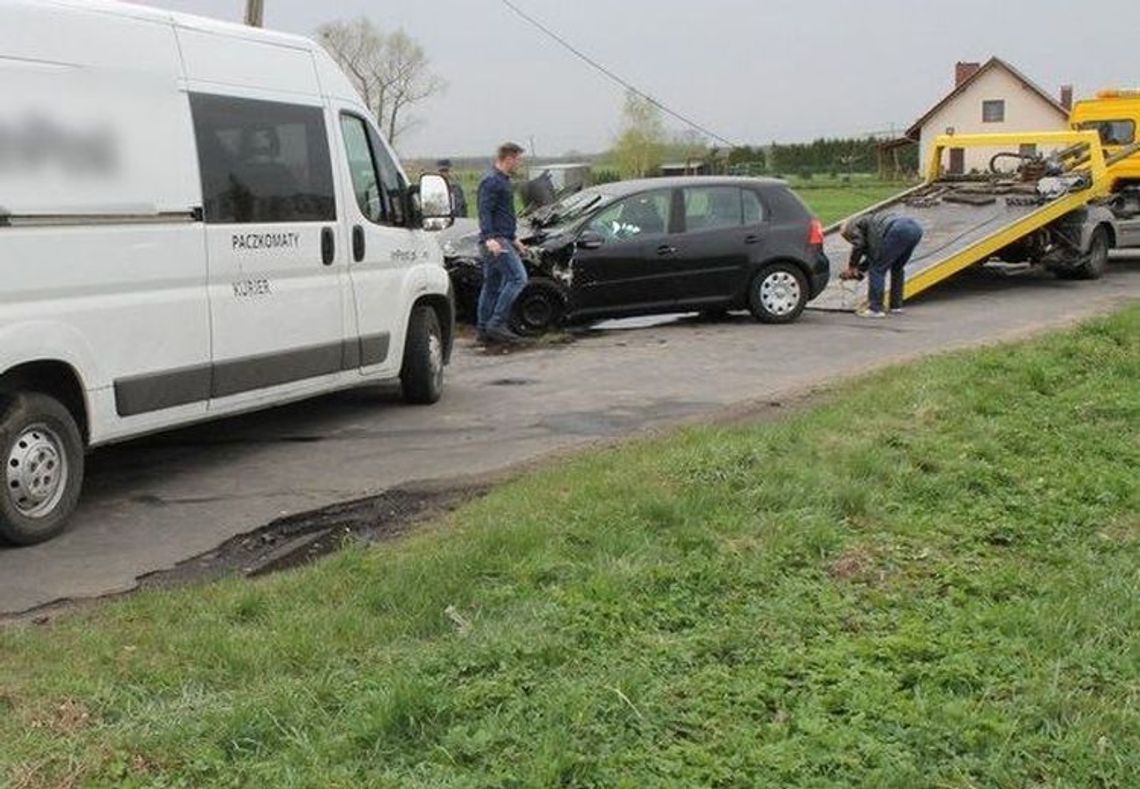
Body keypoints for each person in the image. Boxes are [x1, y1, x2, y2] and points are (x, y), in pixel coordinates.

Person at [476, 142, 528, 345]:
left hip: (502, 238)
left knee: (492, 285)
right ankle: (497, 323)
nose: (519, 164)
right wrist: (490, 238)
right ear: (509, 158)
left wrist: (514, 238)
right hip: (496, 241)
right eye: (518, 160)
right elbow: (484, 211)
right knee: (518, 279)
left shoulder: (503, 181)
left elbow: (502, 214)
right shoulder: (491, 181)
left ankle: (483, 329)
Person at [840, 212, 924, 318]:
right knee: (897, 268)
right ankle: (896, 306)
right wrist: (860, 268)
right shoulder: (869, 223)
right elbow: (874, 255)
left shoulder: (851, 227)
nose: (849, 240)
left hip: (897, 230)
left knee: (877, 270)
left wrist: (852, 266)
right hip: (915, 229)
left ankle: (875, 309)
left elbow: (859, 245)